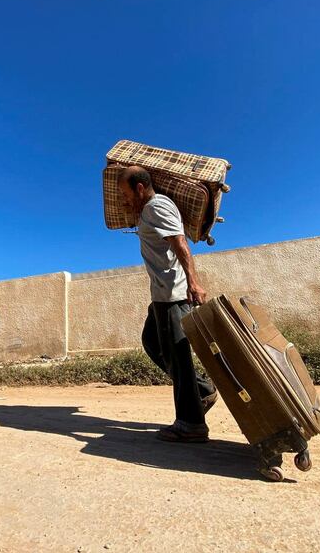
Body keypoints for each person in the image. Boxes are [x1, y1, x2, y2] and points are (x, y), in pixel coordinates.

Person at [117, 165, 218, 443]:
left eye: (126, 194)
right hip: (161, 296)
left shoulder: (156, 207)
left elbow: (180, 244)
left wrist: (194, 283)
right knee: (152, 342)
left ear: (140, 188)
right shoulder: (151, 209)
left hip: (173, 295)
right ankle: (201, 391)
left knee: (178, 357)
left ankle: (191, 423)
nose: (125, 200)